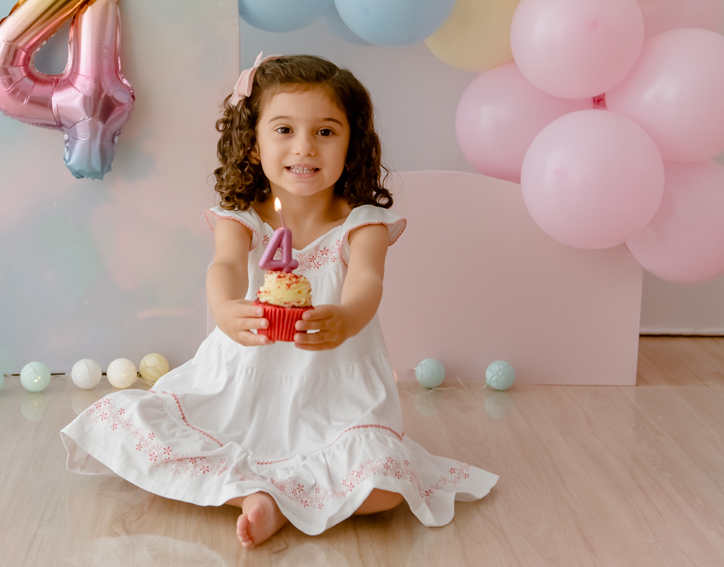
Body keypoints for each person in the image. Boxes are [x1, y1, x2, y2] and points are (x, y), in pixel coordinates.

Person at [61, 54, 498, 548]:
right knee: (127, 427)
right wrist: (226, 308)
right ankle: (263, 494)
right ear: (253, 143)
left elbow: (367, 282)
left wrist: (346, 317)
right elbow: (226, 266)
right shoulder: (244, 216)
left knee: (385, 488)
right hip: (241, 386)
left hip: (334, 396)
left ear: (352, 142)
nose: (304, 146)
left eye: (326, 132)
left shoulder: (363, 223)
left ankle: (275, 500)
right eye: (284, 130)